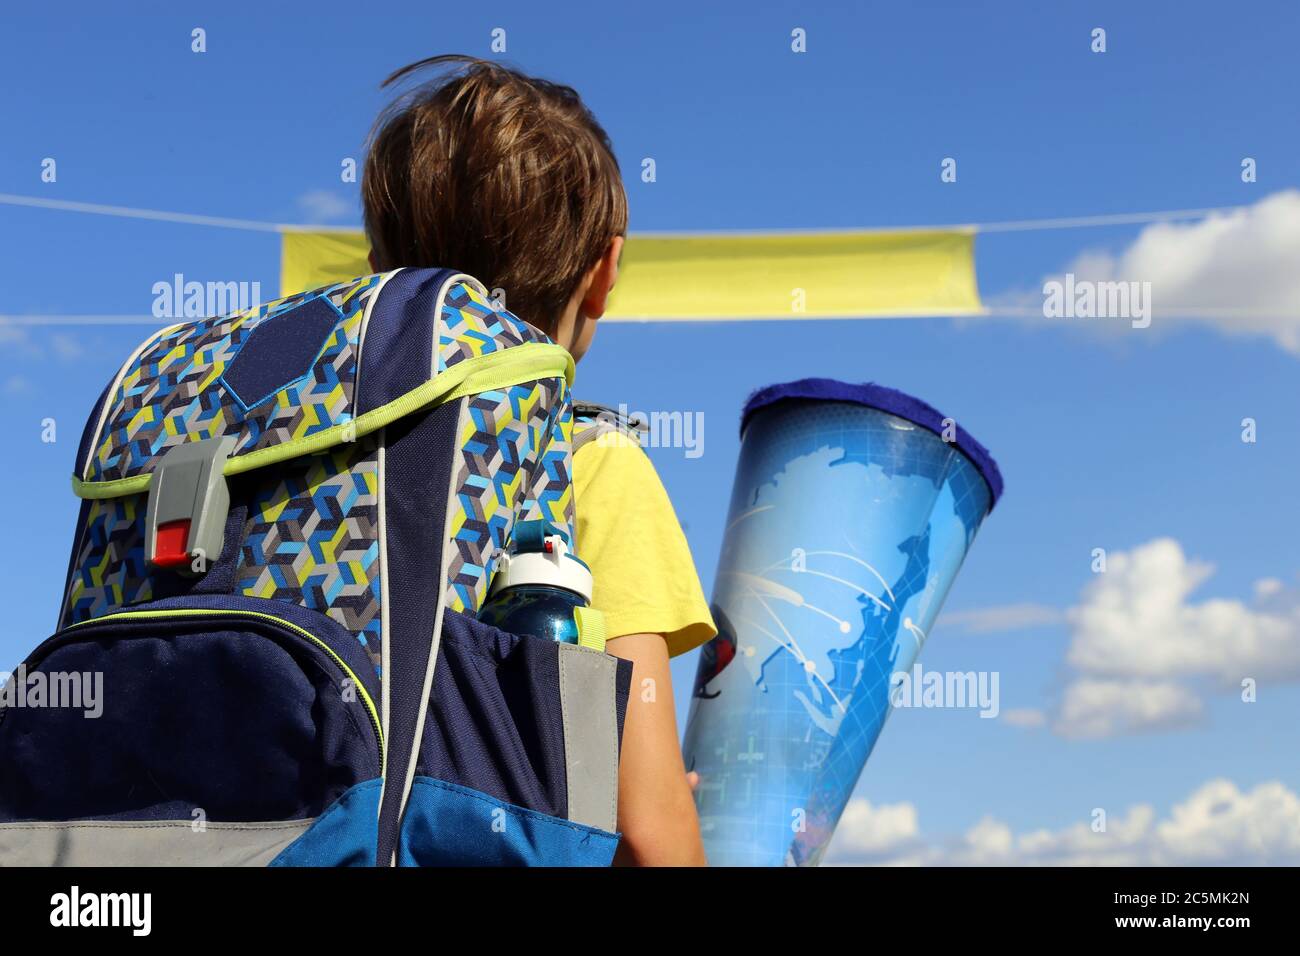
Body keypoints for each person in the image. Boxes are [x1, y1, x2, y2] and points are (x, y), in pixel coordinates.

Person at [362, 55, 715, 866]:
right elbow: (655, 842)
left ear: (378, 264)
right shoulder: (588, 462)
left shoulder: (282, 447)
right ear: (604, 274)